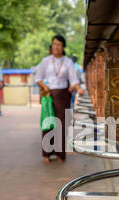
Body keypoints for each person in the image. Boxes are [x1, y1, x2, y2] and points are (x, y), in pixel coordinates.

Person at [35, 34, 85, 163]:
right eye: (54, 44)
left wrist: (78, 88)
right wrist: (44, 87)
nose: (56, 47)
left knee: (61, 125)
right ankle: (46, 154)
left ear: (63, 47)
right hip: (49, 95)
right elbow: (38, 78)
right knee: (48, 123)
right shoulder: (45, 61)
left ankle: (60, 155)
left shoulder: (68, 62)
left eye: (59, 44)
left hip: (63, 96)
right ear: (51, 46)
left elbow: (74, 80)